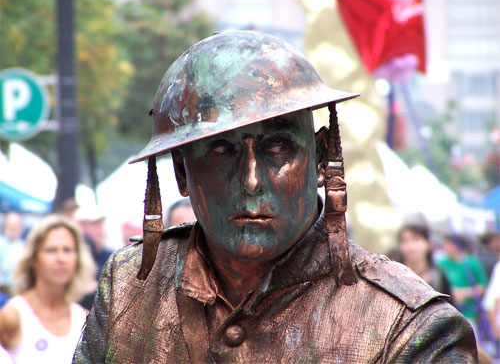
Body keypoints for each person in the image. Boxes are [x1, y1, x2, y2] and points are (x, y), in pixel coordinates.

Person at [74, 31, 477, 363]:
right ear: (182, 172)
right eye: (221, 150)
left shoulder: (406, 327)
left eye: (279, 148)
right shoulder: (129, 286)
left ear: (321, 159)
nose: (251, 181)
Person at [0, 215, 96, 363]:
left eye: (68, 250)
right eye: (51, 250)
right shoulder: (13, 315)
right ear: (34, 258)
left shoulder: (85, 319)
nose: (61, 259)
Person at [438, 234, 488, 331]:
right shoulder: (441, 263)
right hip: (446, 314)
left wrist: (464, 293)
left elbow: (482, 287)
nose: (445, 248)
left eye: (448, 244)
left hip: (467, 313)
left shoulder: (471, 263)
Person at [397, 223, 450, 295]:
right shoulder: (394, 275)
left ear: (428, 243)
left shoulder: (438, 277)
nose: (411, 246)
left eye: (416, 239)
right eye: (405, 241)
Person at [0, 212, 25, 296]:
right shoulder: (1, 244)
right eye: (10, 225)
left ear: (21, 228)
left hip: (18, 291)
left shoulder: (24, 247)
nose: (13, 228)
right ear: (4, 227)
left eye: (15, 225)